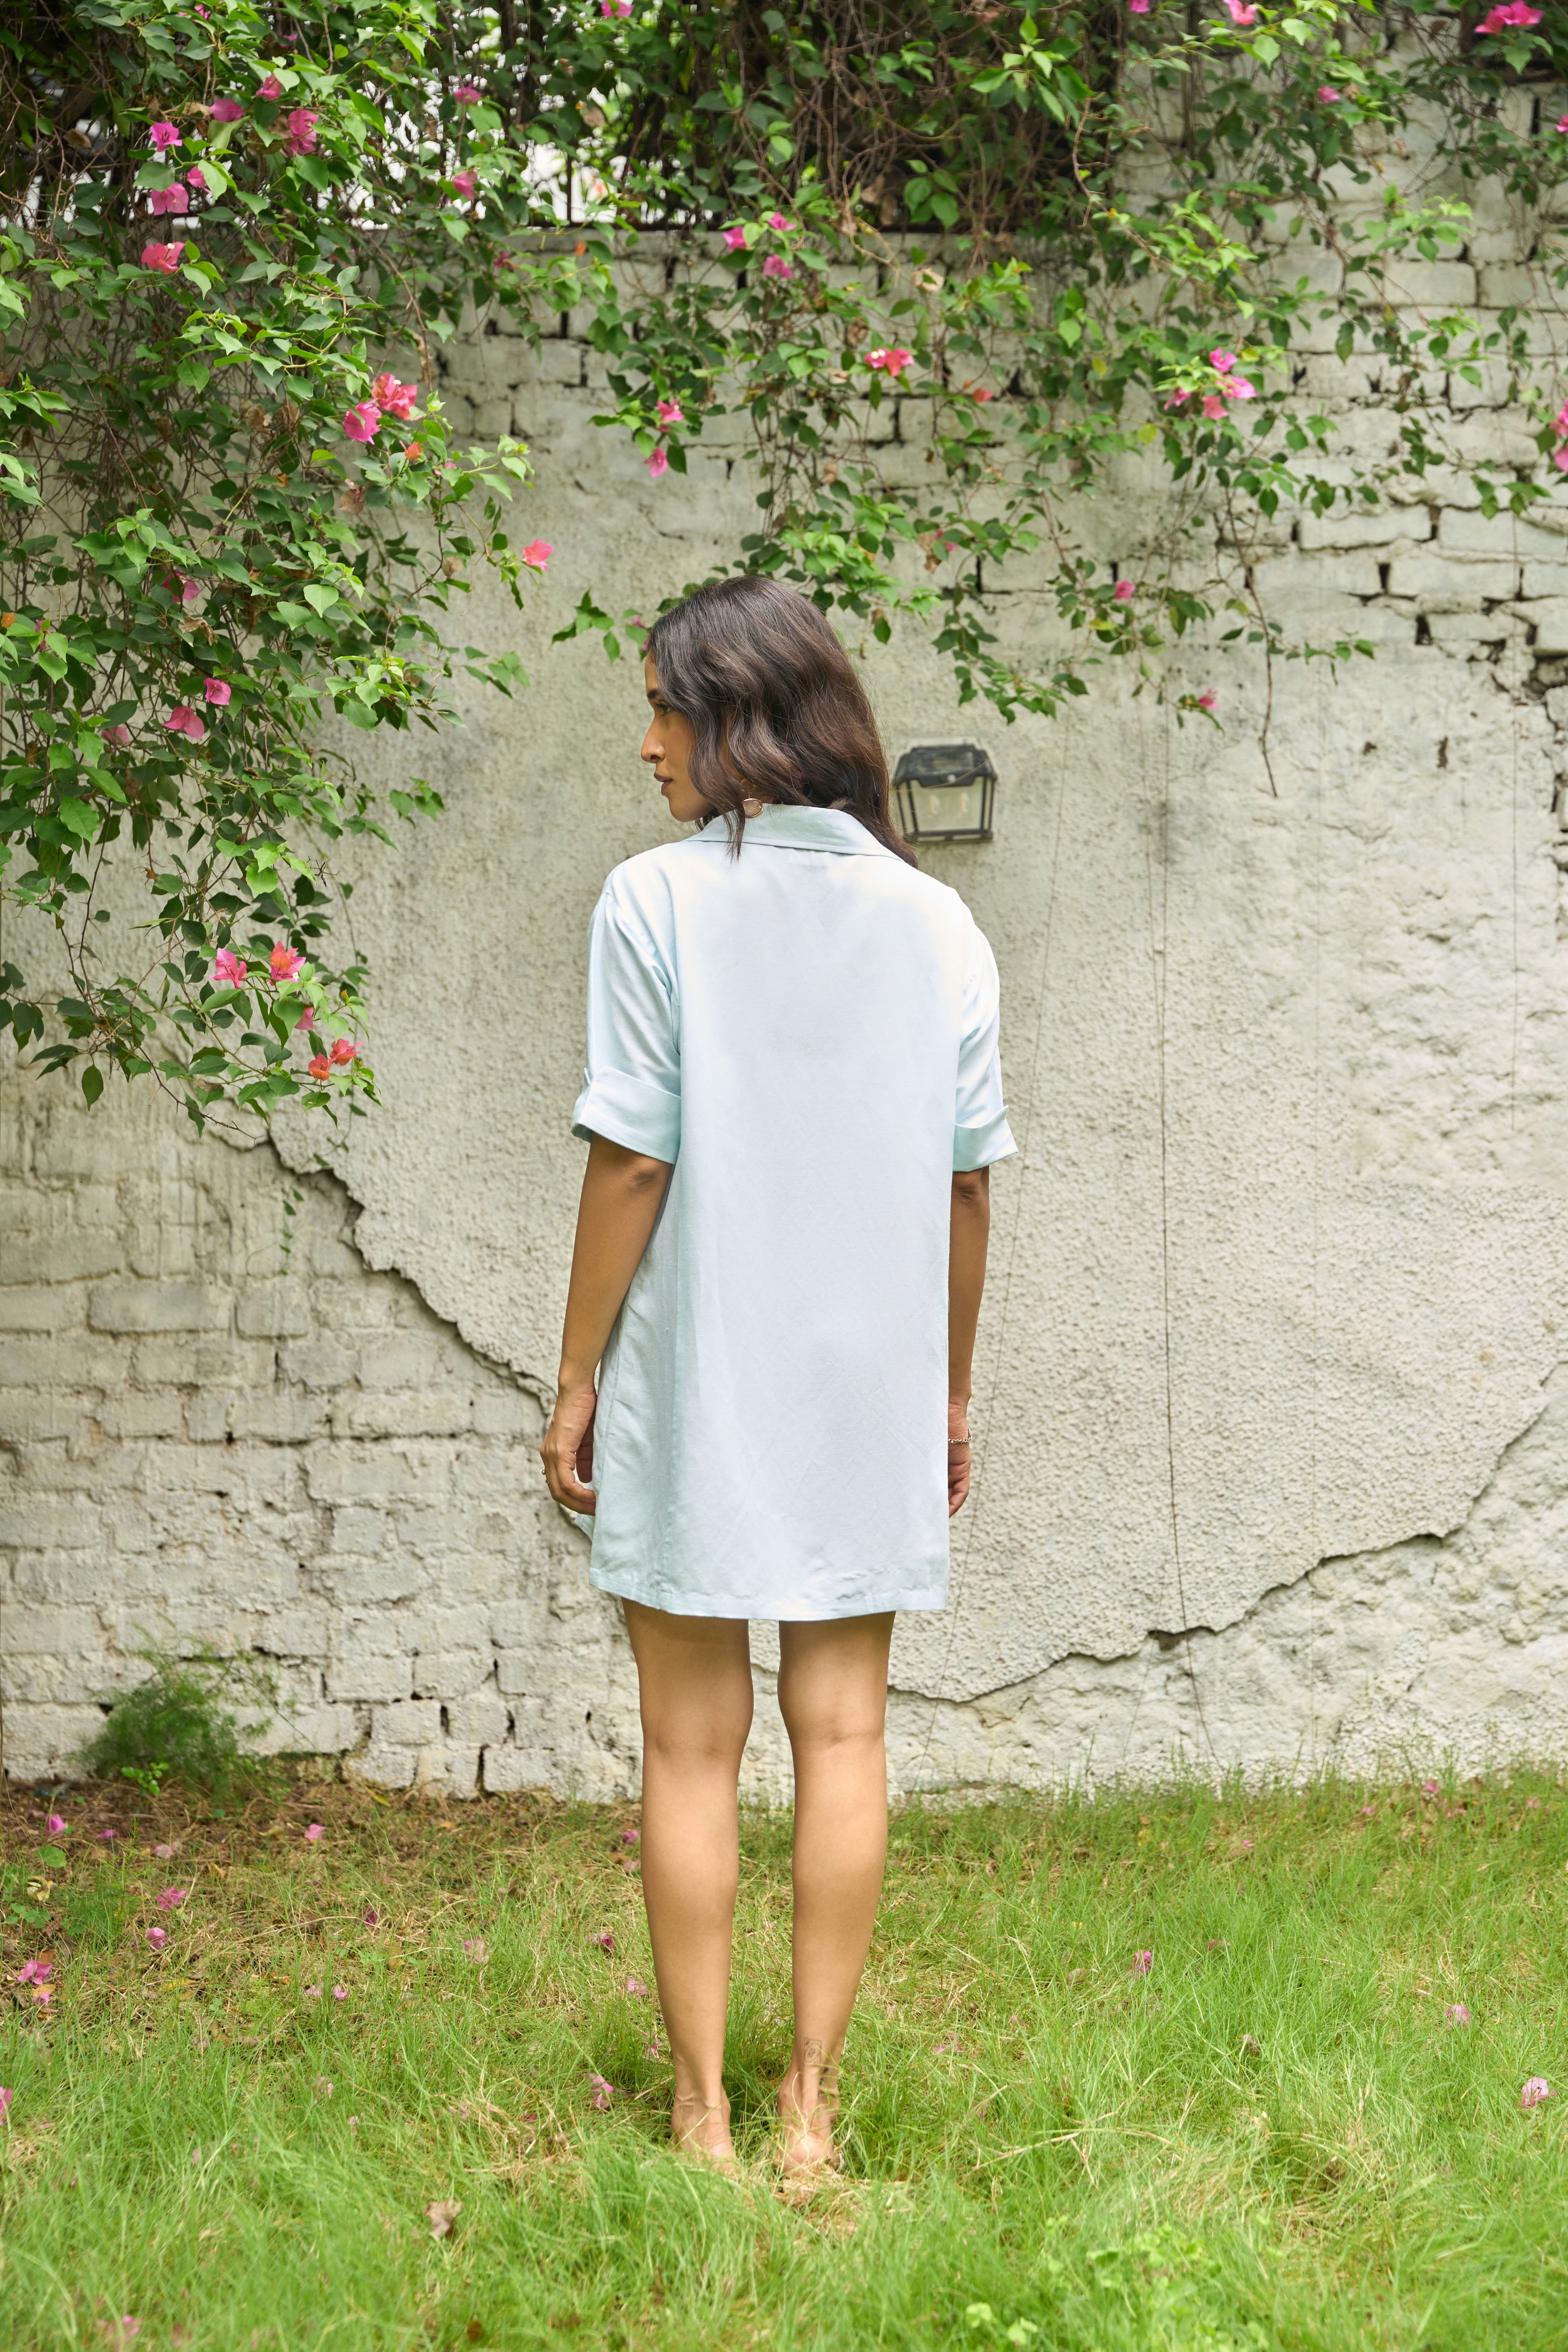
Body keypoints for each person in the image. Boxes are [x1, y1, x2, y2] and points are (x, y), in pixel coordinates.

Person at [539, 575, 1014, 2176]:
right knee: (844, 1732)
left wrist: (575, 1372)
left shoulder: (652, 903)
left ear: (733, 719)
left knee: (687, 1742)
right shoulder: (935, 917)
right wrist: (945, 1395)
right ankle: (811, 2113)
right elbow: (965, 1189)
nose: (649, 746)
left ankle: (702, 2115)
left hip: (696, 1368)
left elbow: (629, 1161)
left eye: (662, 711)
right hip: (863, 1375)